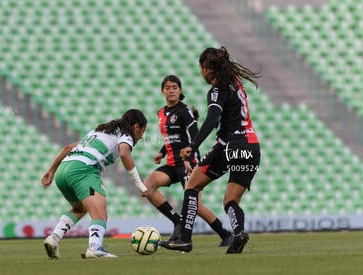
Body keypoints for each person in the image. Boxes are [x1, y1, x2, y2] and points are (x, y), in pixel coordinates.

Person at [165, 46, 261, 254]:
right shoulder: (235, 83)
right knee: (230, 201)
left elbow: (212, 118)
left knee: (191, 186)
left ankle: (184, 239)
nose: (201, 72)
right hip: (251, 148)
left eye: (202, 67)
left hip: (230, 146)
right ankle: (239, 232)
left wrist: (193, 145)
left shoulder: (217, 90)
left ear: (208, 68)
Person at [41, 109, 148, 259]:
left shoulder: (100, 131)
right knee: (100, 213)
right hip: (83, 170)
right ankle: (95, 248)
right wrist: (140, 185)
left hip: (63, 170)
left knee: (79, 209)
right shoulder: (126, 134)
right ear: (136, 126)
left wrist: (51, 170)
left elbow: (68, 148)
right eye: (143, 131)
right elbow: (124, 153)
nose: (141, 136)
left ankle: (54, 238)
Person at [143, 75, 233, 248]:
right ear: (162, 90)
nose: (171, 90)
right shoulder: (162, 112)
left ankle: (225, 234)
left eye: (174, 87)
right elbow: (172, 137)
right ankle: (177, 222)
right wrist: (161, 153)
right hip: (171, 163)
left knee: (196, 206)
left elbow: (194, 136)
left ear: (180, 90)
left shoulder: (185, 111)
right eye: (167, 87)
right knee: (148, 187)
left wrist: (190, 159)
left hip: (187, 162)